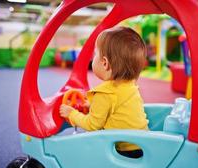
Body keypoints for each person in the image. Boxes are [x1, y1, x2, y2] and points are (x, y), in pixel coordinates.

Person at [59, 26, 149, 158]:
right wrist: (91, 106)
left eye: (96, 54)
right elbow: (118, 108)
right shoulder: (130, 85)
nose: (94, 57)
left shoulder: (104, 93)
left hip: (122, 151)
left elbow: (92, 125)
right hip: (143, 144)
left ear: (105, 63)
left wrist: (72, 114)